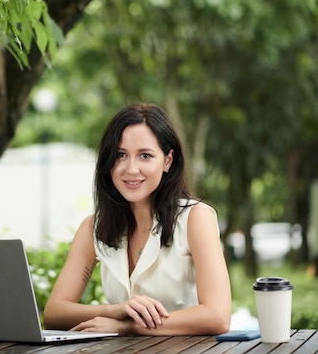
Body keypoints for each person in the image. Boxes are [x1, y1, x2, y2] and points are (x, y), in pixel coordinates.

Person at [43, 103, 231, 336]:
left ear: (167, 161)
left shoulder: (195, 218)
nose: (131, 169)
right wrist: (115, 311)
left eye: (145, 155)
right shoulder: (94, 227)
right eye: (121, 155)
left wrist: (128, 326)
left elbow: (218, 316)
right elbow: (54, 313)